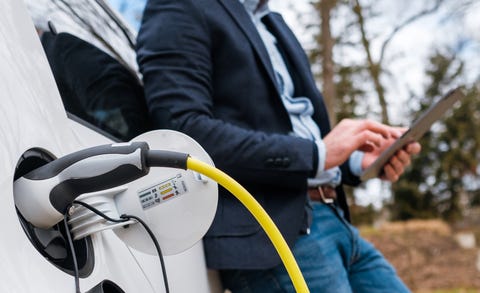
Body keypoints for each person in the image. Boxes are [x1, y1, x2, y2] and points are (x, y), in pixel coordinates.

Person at [136, 0, 421, 292]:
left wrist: (353, 162)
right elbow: (183, 131)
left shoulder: (273, 22)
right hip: (274, 236)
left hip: (335, 219)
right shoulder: (181, 6)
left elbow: (299, 133)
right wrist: (316, 155)